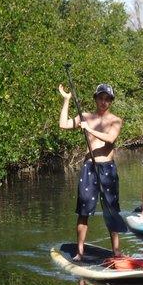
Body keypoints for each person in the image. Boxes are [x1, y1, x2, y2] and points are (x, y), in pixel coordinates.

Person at [59, 83, 124, 261]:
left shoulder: (116, 120)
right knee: (84, 211)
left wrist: (89, 129)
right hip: (89, 168)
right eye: (100, 98)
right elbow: (63, 124)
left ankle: (116, 252)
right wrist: (66, 100)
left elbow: (110, 139)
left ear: (111, 101)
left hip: (107, 168)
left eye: (107, 99)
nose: (103, 102)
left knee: (112, 210)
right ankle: (80, 252)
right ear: (95, 99)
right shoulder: (85, 116)